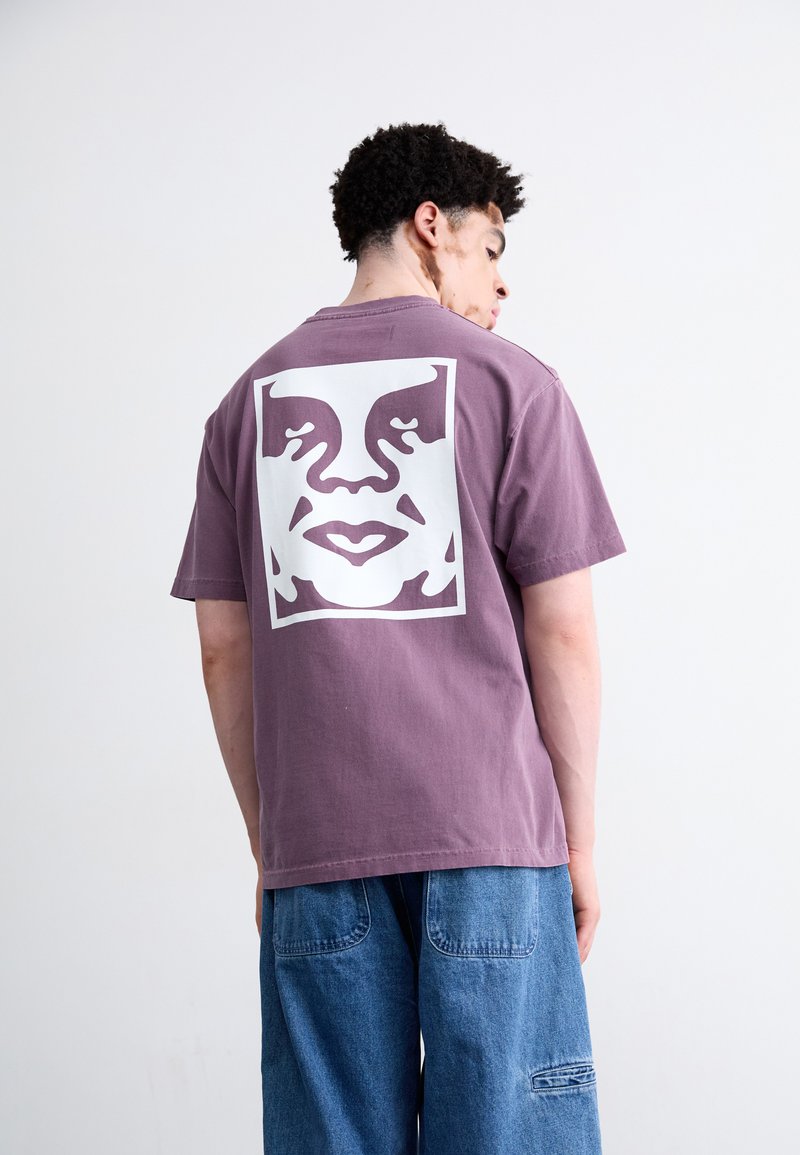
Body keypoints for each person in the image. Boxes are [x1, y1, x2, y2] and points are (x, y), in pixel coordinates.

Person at [170, 120, 627, 1155]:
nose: (502, 282)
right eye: (491, 246)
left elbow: (223, 651)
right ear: (432, 226)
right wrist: (579, 843)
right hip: (492, 840)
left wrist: (271, 846)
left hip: (316, 846)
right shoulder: (516, 386)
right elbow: (561, 630)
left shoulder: (243, 407)